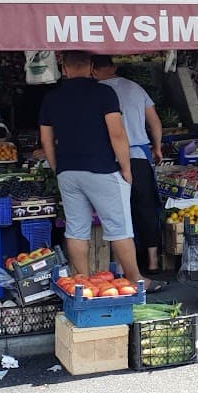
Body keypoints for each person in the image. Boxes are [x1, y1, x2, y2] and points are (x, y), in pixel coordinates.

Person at [38, 51, 165, 292]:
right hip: (102, 169)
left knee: (76, 230)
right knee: (119, 228)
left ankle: (83, 283)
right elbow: (117, 133)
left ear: (63, 69)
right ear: (90, 68)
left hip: (68, 172)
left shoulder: (51, 98)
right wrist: (126, 168)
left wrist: (57, 167)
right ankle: (137, 280)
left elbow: (46, 140)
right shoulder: (104, 93)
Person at [92, 55, 165, 275]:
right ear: (113, 67)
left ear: (93, 71)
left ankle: (122, 267)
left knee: (117, 213)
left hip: (110, 159)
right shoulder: (135, 87)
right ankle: (152, 262)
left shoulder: (96, 92)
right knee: (146, 209)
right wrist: (158, 147)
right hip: (139, 158)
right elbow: (155, 122)